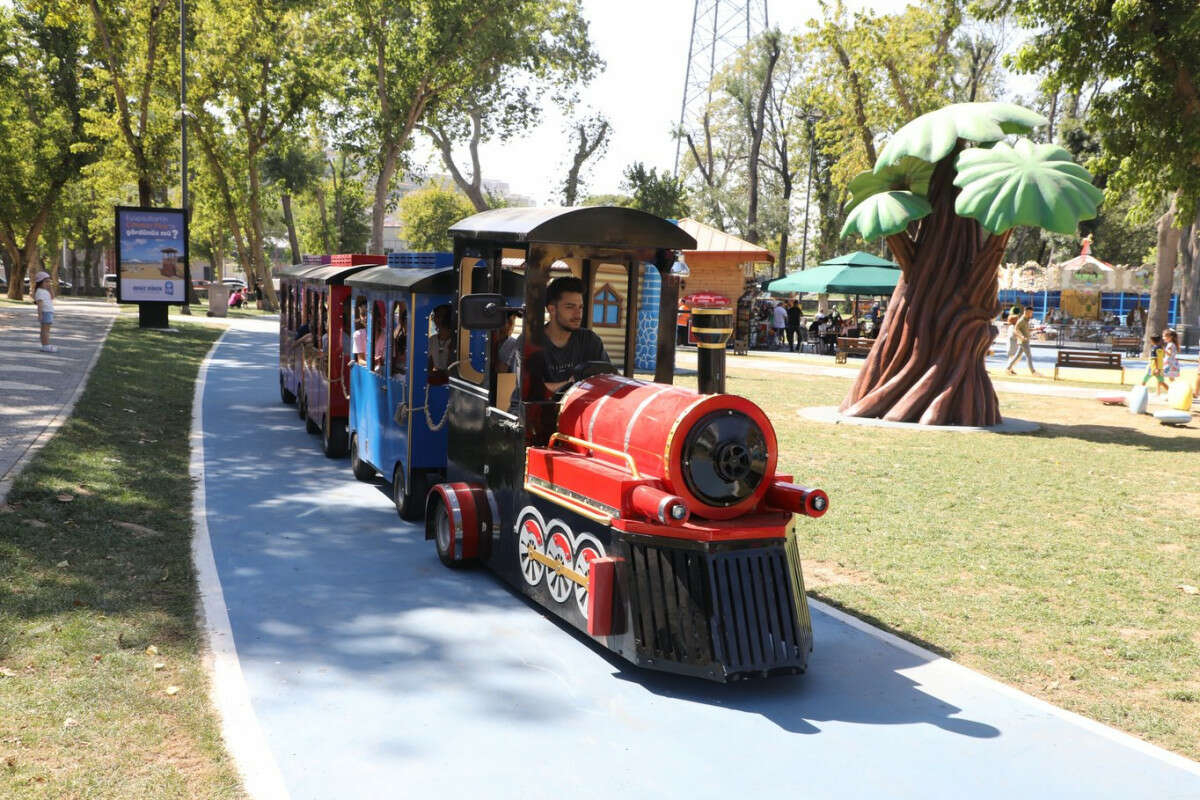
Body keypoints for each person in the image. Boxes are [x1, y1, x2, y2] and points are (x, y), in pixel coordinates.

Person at [521, 276, 609, 399]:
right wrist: (572, 384)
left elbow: (607, 378)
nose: (578, 314)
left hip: (576, 409)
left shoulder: (590, 340)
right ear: (552, 309)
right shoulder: (530, 341)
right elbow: (531, 390)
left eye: (580, 307)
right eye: (570, 307)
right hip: (533, 413)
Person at [1005, 306, 1038, 375]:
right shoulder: (1021, 320)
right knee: (1029, 356)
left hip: (1025, 340)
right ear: (1026, 312)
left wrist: (1036, 329)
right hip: (1023, 341)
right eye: (1030, 313)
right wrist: (1021, 336)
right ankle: (1033, 372)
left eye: (1032, 313)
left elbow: (1026, 330)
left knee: (1017, 356)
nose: (1031, 314)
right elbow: (1015, 330)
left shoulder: (1026, 320)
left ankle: (1008, 368)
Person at [427, 304, 456, 380]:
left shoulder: (456, 340)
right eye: (436, 316)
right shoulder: (432, 340)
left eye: (441, 316)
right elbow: (429, 364)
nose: (436, 319)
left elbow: (452, 368)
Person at [33, 271, 56, 353]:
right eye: (46, 281)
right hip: (45, 312)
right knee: (45, 330)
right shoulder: (39, 291)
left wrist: (50, 288)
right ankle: (46, 345)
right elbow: (40, 305)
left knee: (46, 330)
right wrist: (40, 315)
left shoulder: (45, 291)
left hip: (49, 312)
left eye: (49, 281)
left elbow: (52, 297)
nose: (48, 283)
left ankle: (45, 345)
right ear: (40, 282)